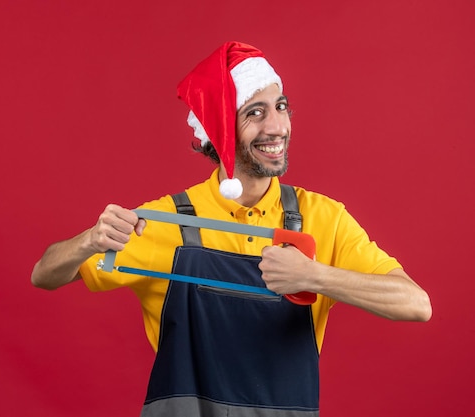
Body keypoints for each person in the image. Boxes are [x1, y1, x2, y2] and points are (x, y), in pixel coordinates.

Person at [31, 41, 432, 417]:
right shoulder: (163, 220)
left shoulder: (323, 218)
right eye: (254, 112)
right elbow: (44, 275)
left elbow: (416, 304)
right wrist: (89, 240)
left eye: (281, 106)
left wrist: (315, 276)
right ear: (220, 131)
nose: (277, 126)